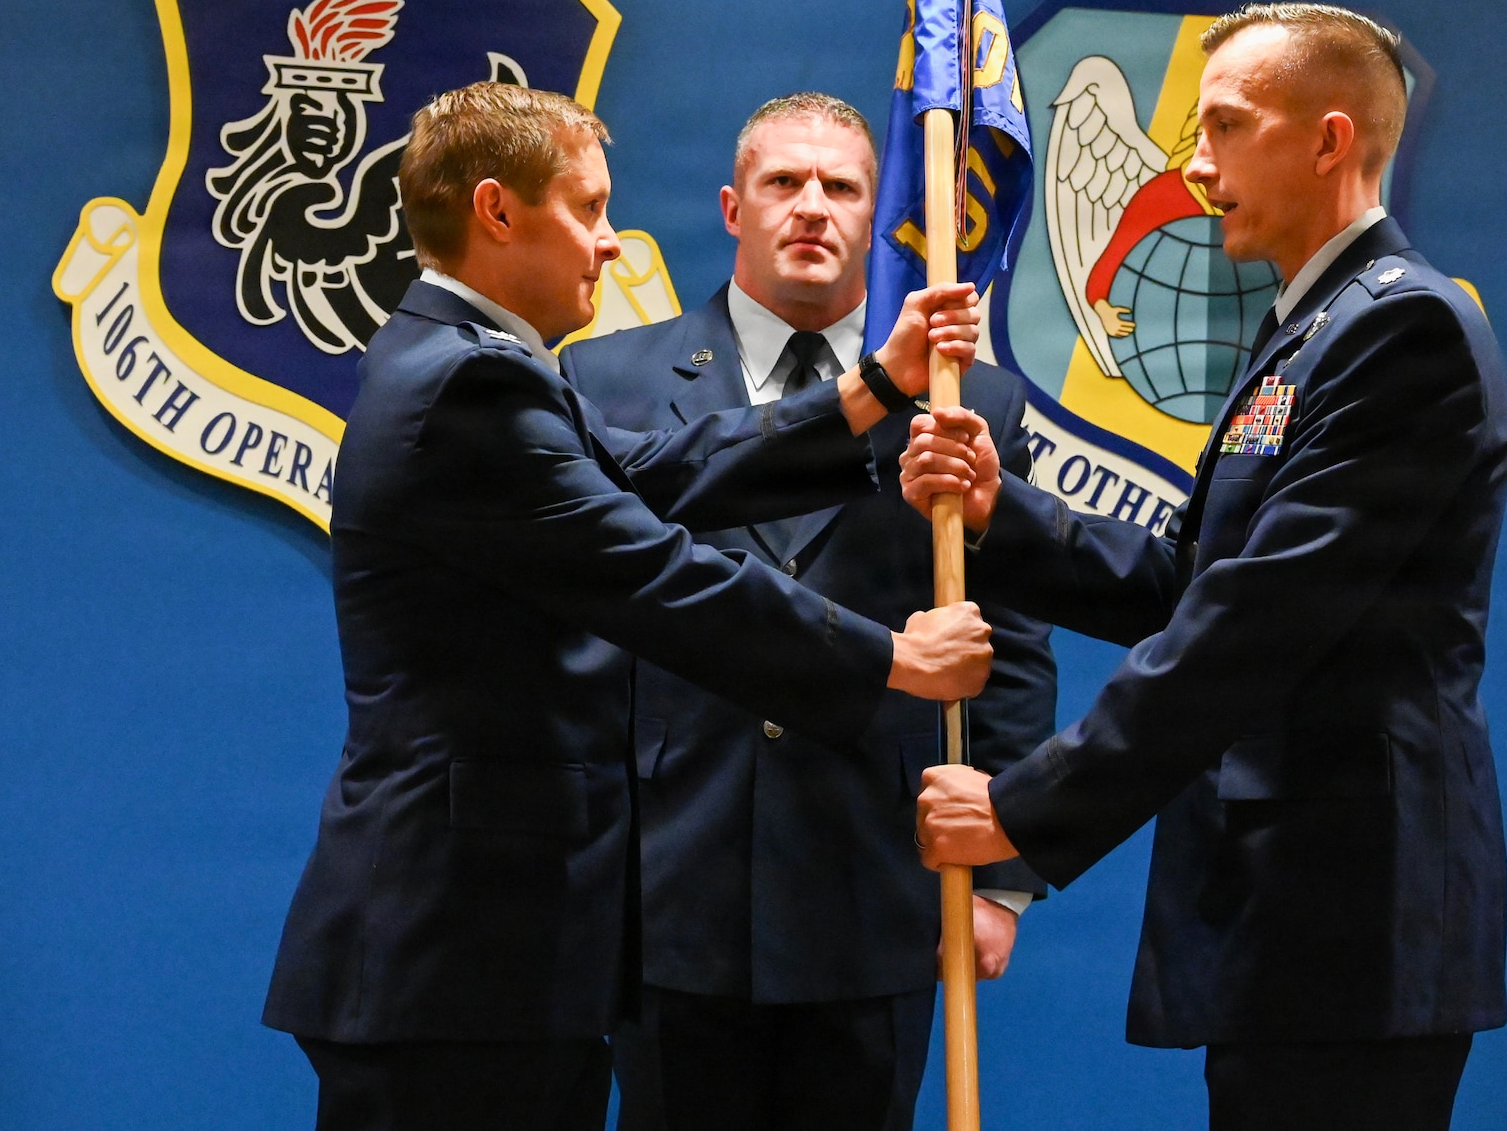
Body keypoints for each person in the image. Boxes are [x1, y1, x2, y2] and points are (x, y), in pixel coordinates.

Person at [260, 83, 994, 1131]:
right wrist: (887, 659)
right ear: (497, 212)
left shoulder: (474, 361)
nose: (610, 244)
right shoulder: (470, 385)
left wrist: (869, 387)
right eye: (587, 209)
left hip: (478, 945)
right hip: (454, 949)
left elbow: (656, 472)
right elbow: (657, 573)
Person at [903, 4, 1507, 1131]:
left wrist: (1025, 807)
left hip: (1352, 910)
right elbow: (1192, 580)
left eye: (1225, 127)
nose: (1191, 166)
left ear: (1329, 139)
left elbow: (1253, 624)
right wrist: (1003, 515)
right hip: (1290, 908)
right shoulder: (1308, 324)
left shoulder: (1399, 330)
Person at [562, 93, 1057, 1131]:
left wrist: (1001, 878)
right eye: (783, 182)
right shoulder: (603, 381)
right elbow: (578, 639)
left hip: (872, 882)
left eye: (841, 188)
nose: (811, 208)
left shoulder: (971, 402)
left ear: (879, 224)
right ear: (732, 207)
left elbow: (1006, 645)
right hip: (667, 882)